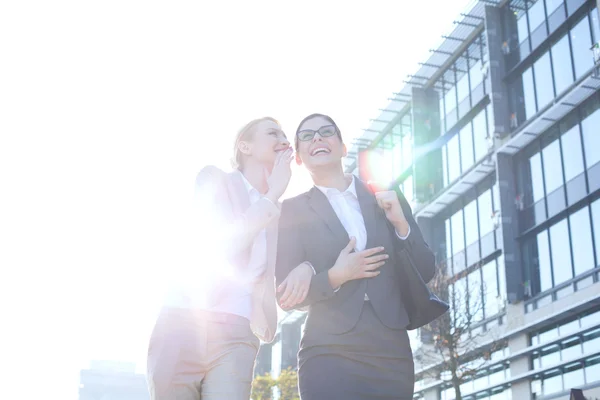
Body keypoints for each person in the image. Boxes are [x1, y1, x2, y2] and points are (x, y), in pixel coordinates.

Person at [146, 117, 314, 400]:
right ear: (244, 146)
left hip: (237, 332)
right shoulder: (215, 180)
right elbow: (220, 247)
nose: (284, 140)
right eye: (273, 133)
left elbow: (292, 275)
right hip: (184, 322)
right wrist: (271, 195)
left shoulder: (282, 212)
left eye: (286, 136)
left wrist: (307, 268)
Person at [275, 113, 439, 400]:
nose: (317, 138)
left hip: (389, 346)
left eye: (326, 132)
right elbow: (288, 296)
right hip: (327, 347)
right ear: (299, 157)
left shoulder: (384, 192)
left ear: (342, 148)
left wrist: (401, 224)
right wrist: (337, 274)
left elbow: (425, 270)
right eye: (307, 135)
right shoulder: (291, 210)